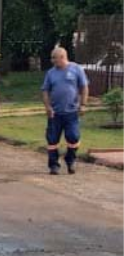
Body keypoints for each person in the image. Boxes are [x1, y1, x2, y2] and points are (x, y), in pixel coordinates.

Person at [41, 47, 89, 175]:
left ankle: (70, 159)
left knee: (73, 137)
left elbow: (84, 87)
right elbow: (45, 90)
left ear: (62, 57)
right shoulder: (50, 73)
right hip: (55, 113)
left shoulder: (76, 69)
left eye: (54, 58)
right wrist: (48, 107)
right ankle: (53, 165)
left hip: (72, 112)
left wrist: (83, 104)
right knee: (52, 140)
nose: (52, 60)